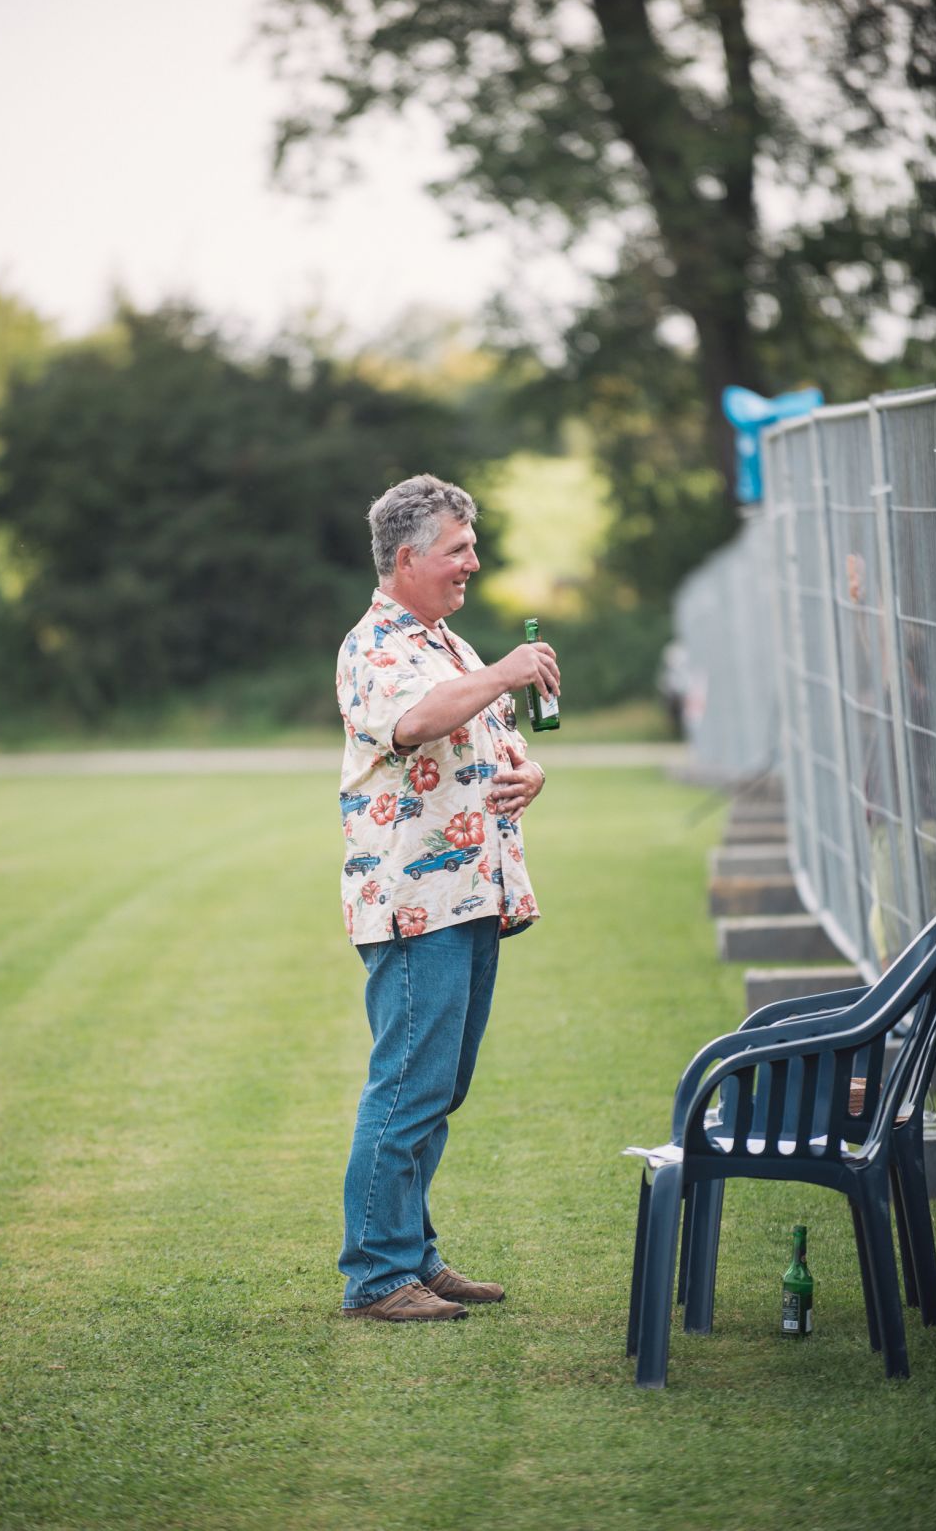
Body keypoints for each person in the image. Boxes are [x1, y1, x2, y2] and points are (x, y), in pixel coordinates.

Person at [335, 473, 560, 1321]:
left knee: (439, 1089)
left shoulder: (449, 645)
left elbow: (491, 745)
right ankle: (376, 1274)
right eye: (459, 548)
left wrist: (530, 773)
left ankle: (413, 1255)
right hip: (414, 904)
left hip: (471, 897)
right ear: (408, 558)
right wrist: (504, 671)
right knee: (407, 1087)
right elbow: (415, 723)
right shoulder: (375, 646)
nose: (473, 562)